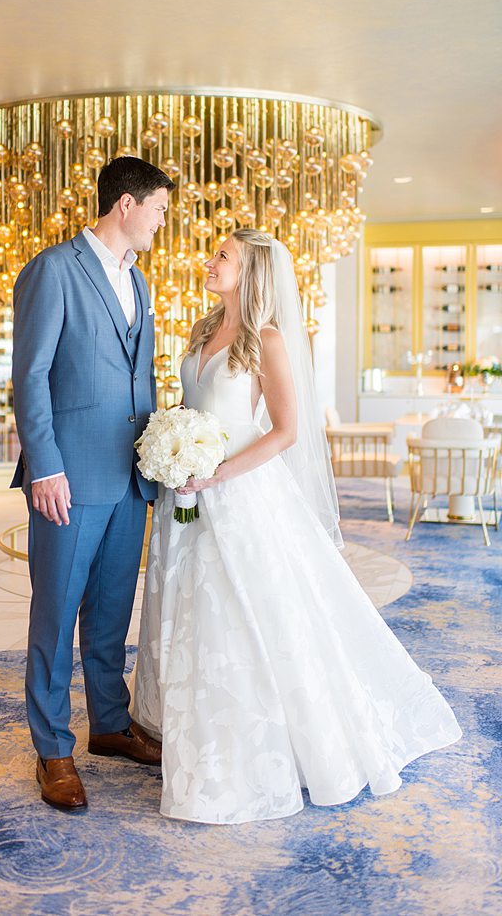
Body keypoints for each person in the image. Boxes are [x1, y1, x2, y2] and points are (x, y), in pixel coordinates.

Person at [131, 228, 462, 825]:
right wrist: (174, 446)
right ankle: (195, 733)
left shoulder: (269, 340)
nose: (211, 261)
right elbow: (198, 407)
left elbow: (285, 432)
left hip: (237, 493)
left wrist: (217, 473)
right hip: (189, 490)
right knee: (192, 609)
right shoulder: (205, 330)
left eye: (224, 256)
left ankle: (252, 751)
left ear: (251, 270)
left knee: (243, 613)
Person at [11, 157, 175, 811]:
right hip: (68, 479)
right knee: (55, 615)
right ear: (127, 206)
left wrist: (162, 455)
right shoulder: (53, 270)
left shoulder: (143, 282)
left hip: (130, 476)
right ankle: (53, 749)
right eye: (160, 209)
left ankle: (109, 724)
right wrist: (45, 465)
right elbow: (30, 375)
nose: (163, 222)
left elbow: (142, 378)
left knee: (110, 613)